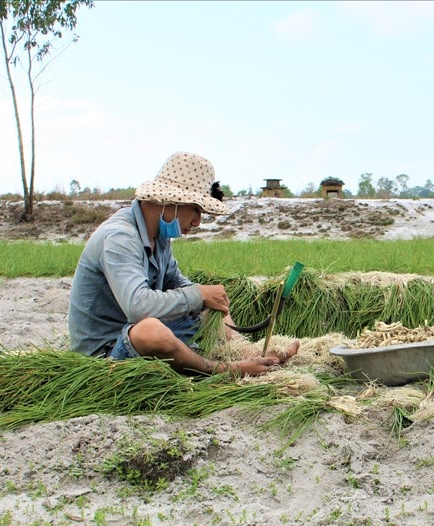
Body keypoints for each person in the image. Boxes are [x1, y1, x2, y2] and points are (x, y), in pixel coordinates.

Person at [68, 151, 298, 377]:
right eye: (196, 210)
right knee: (152, 331)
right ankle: (228, 370)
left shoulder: (158, 235)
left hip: (131, 332)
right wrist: (198, 294)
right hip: (106, 354)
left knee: (210, 307)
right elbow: (137, 306)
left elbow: (177, 283)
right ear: (171, 200)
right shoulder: (121, 237)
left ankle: (248, 352)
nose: (197, 222)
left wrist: (209, 301)